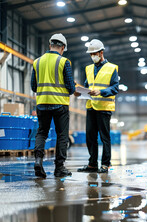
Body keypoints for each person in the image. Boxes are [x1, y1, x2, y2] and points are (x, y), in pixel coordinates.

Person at [31, 33, 75, 178]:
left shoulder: (37, 62)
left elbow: (33, 86)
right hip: (59, 105)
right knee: (62, 135)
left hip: (42, 103)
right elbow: (70, 87)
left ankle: (38, 161)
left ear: (50, 45)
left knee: (41, 132)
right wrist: (73, 88)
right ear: (62, 48)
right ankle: (59, 168)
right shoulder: (64, 62)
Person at [76, 39, 119, 173]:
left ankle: (106, 164)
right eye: (90, 54)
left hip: (104, 108)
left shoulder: (112, 68)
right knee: (90, 137)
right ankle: (92, 164)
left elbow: (115, 88)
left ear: (101, 53)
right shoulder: (89, 69)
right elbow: (87, 86)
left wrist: (101, 92)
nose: (92, 56)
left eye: (94, 53)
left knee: (104, 137)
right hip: (91, 107)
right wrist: (80, 92)